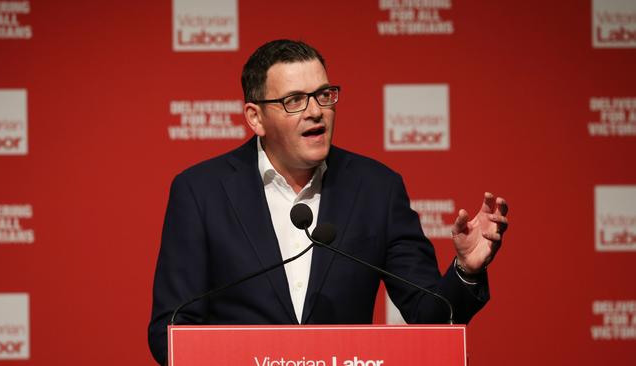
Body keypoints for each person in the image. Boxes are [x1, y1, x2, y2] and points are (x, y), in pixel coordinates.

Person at [148, 39, 509, 365]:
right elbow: (172, 330)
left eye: (324, 95)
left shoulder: (376, 189)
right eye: (294, 100)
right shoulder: (200, 191)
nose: (316, 111)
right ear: (255, 118)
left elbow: (431, 318)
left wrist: (466, 270)